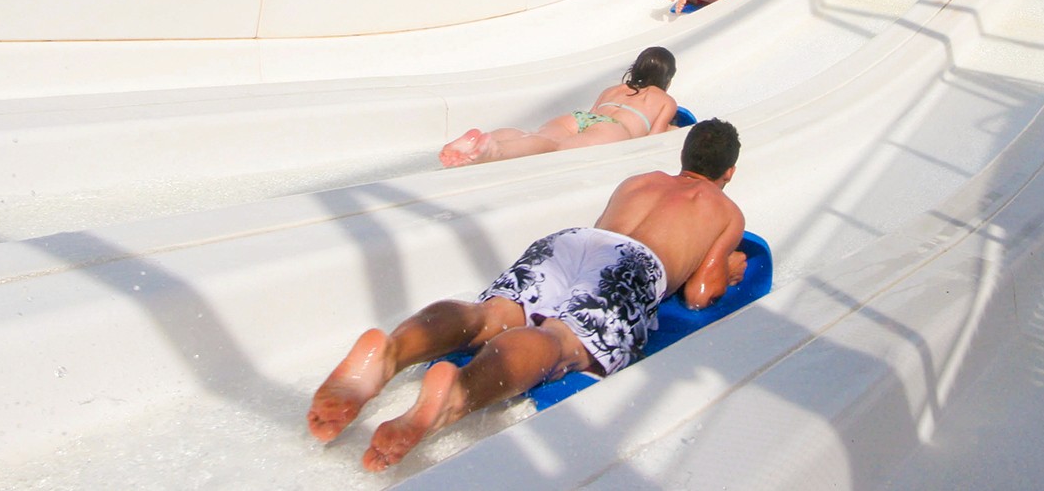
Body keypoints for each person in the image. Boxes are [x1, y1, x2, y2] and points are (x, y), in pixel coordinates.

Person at [307, 118, 748, 472]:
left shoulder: (639, 180)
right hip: (633, 266)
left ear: (683, 154)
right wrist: (726, 269)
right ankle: (456, 394)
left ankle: (391, 352)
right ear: (728, 173)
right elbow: (699, 294)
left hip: (576, 241)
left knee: (492, 313)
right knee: (560, 340)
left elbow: (601, 244)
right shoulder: (726, 211)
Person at [439, 47, 679, 167]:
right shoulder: (665, 101)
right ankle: (494, 152)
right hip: (613, 129)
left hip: (581, 119)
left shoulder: (613, 90)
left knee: (536, 135)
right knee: (555, 148)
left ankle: (487, 139)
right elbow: (652, 140)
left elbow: (593, 116)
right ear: (667, 78)